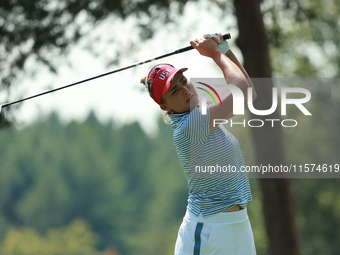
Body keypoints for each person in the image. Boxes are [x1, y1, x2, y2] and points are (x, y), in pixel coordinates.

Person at [140, 33, 257, 255]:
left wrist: (225, 50)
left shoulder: (202, 113)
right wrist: (214, 53)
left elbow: (249, 91)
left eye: (183, 81)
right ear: (165, 107)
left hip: (238, 225)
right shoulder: (189, 126)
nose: (185, 90)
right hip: (208, 232)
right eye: (175, 91)